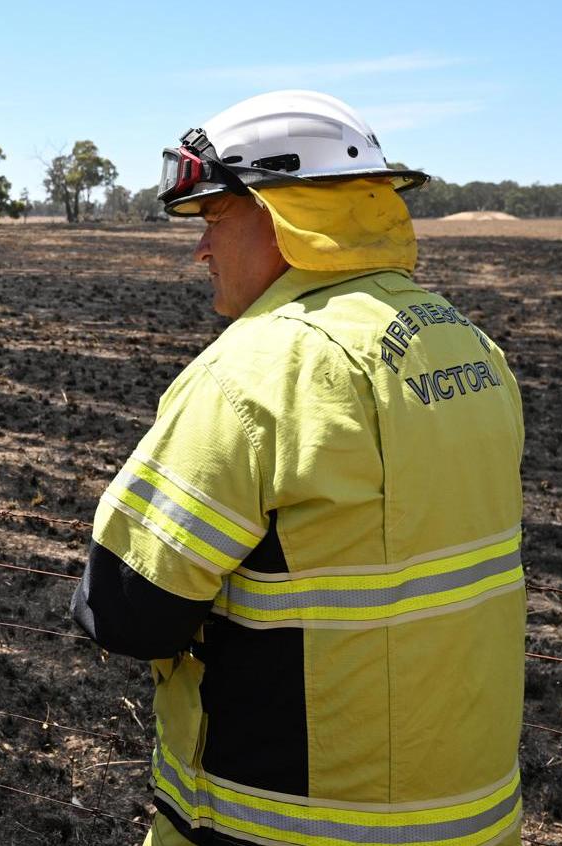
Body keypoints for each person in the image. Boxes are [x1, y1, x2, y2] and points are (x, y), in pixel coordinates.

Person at [71, 90, 526, 846]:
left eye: (215, 218)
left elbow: (129, 611)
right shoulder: (470, 347)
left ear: (284, 214)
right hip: (473, 820)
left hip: (283, 824)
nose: (201, 250)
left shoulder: (253, 375)